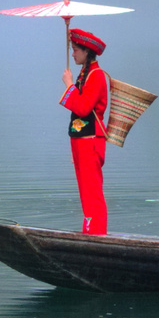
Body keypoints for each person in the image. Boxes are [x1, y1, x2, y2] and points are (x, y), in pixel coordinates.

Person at [60, 28, 111, 235]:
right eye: (72, 49)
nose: (72, 54)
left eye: (75, 50)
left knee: (92, 191)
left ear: (86, 52)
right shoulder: (85, 74)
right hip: (81, 140)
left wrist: (69, 85)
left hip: (91, 140)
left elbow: (82, 108)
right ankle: (89, 232)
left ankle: (96, 234)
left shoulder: (96, 76)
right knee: (84, 191)